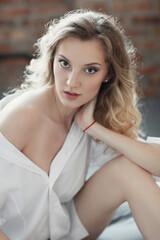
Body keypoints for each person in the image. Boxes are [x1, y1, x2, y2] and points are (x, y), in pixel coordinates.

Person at [0, 8, 160, 240]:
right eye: (64, 64)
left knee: (129, 169)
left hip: (63, 228)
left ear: (108, 74)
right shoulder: (25, 115)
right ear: (52, 59)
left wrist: (93, 127)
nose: (72, 82)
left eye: (90, 70)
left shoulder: (91, 111)